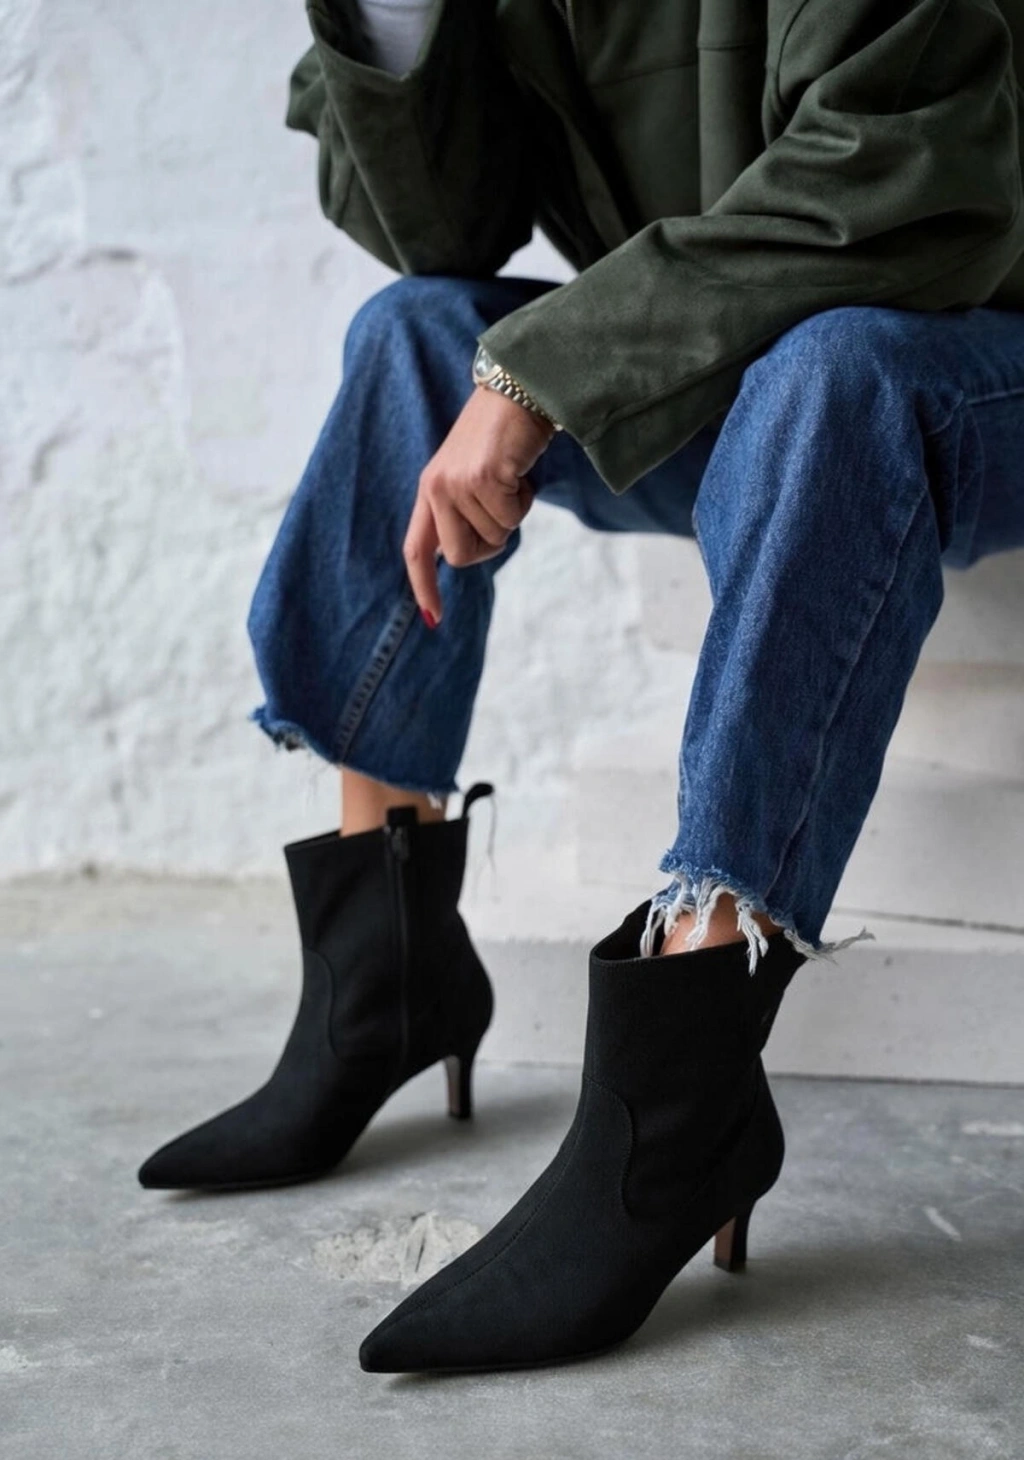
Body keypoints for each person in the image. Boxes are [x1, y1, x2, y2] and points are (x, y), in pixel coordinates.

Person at [138, 0, 1024, 1373]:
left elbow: (904, 184)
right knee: (417, 330)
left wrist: (544, 371)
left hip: (966, 357)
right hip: (749, 367)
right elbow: (439, 236)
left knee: (834, 371)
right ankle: (385, 979)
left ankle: (679, 1099)